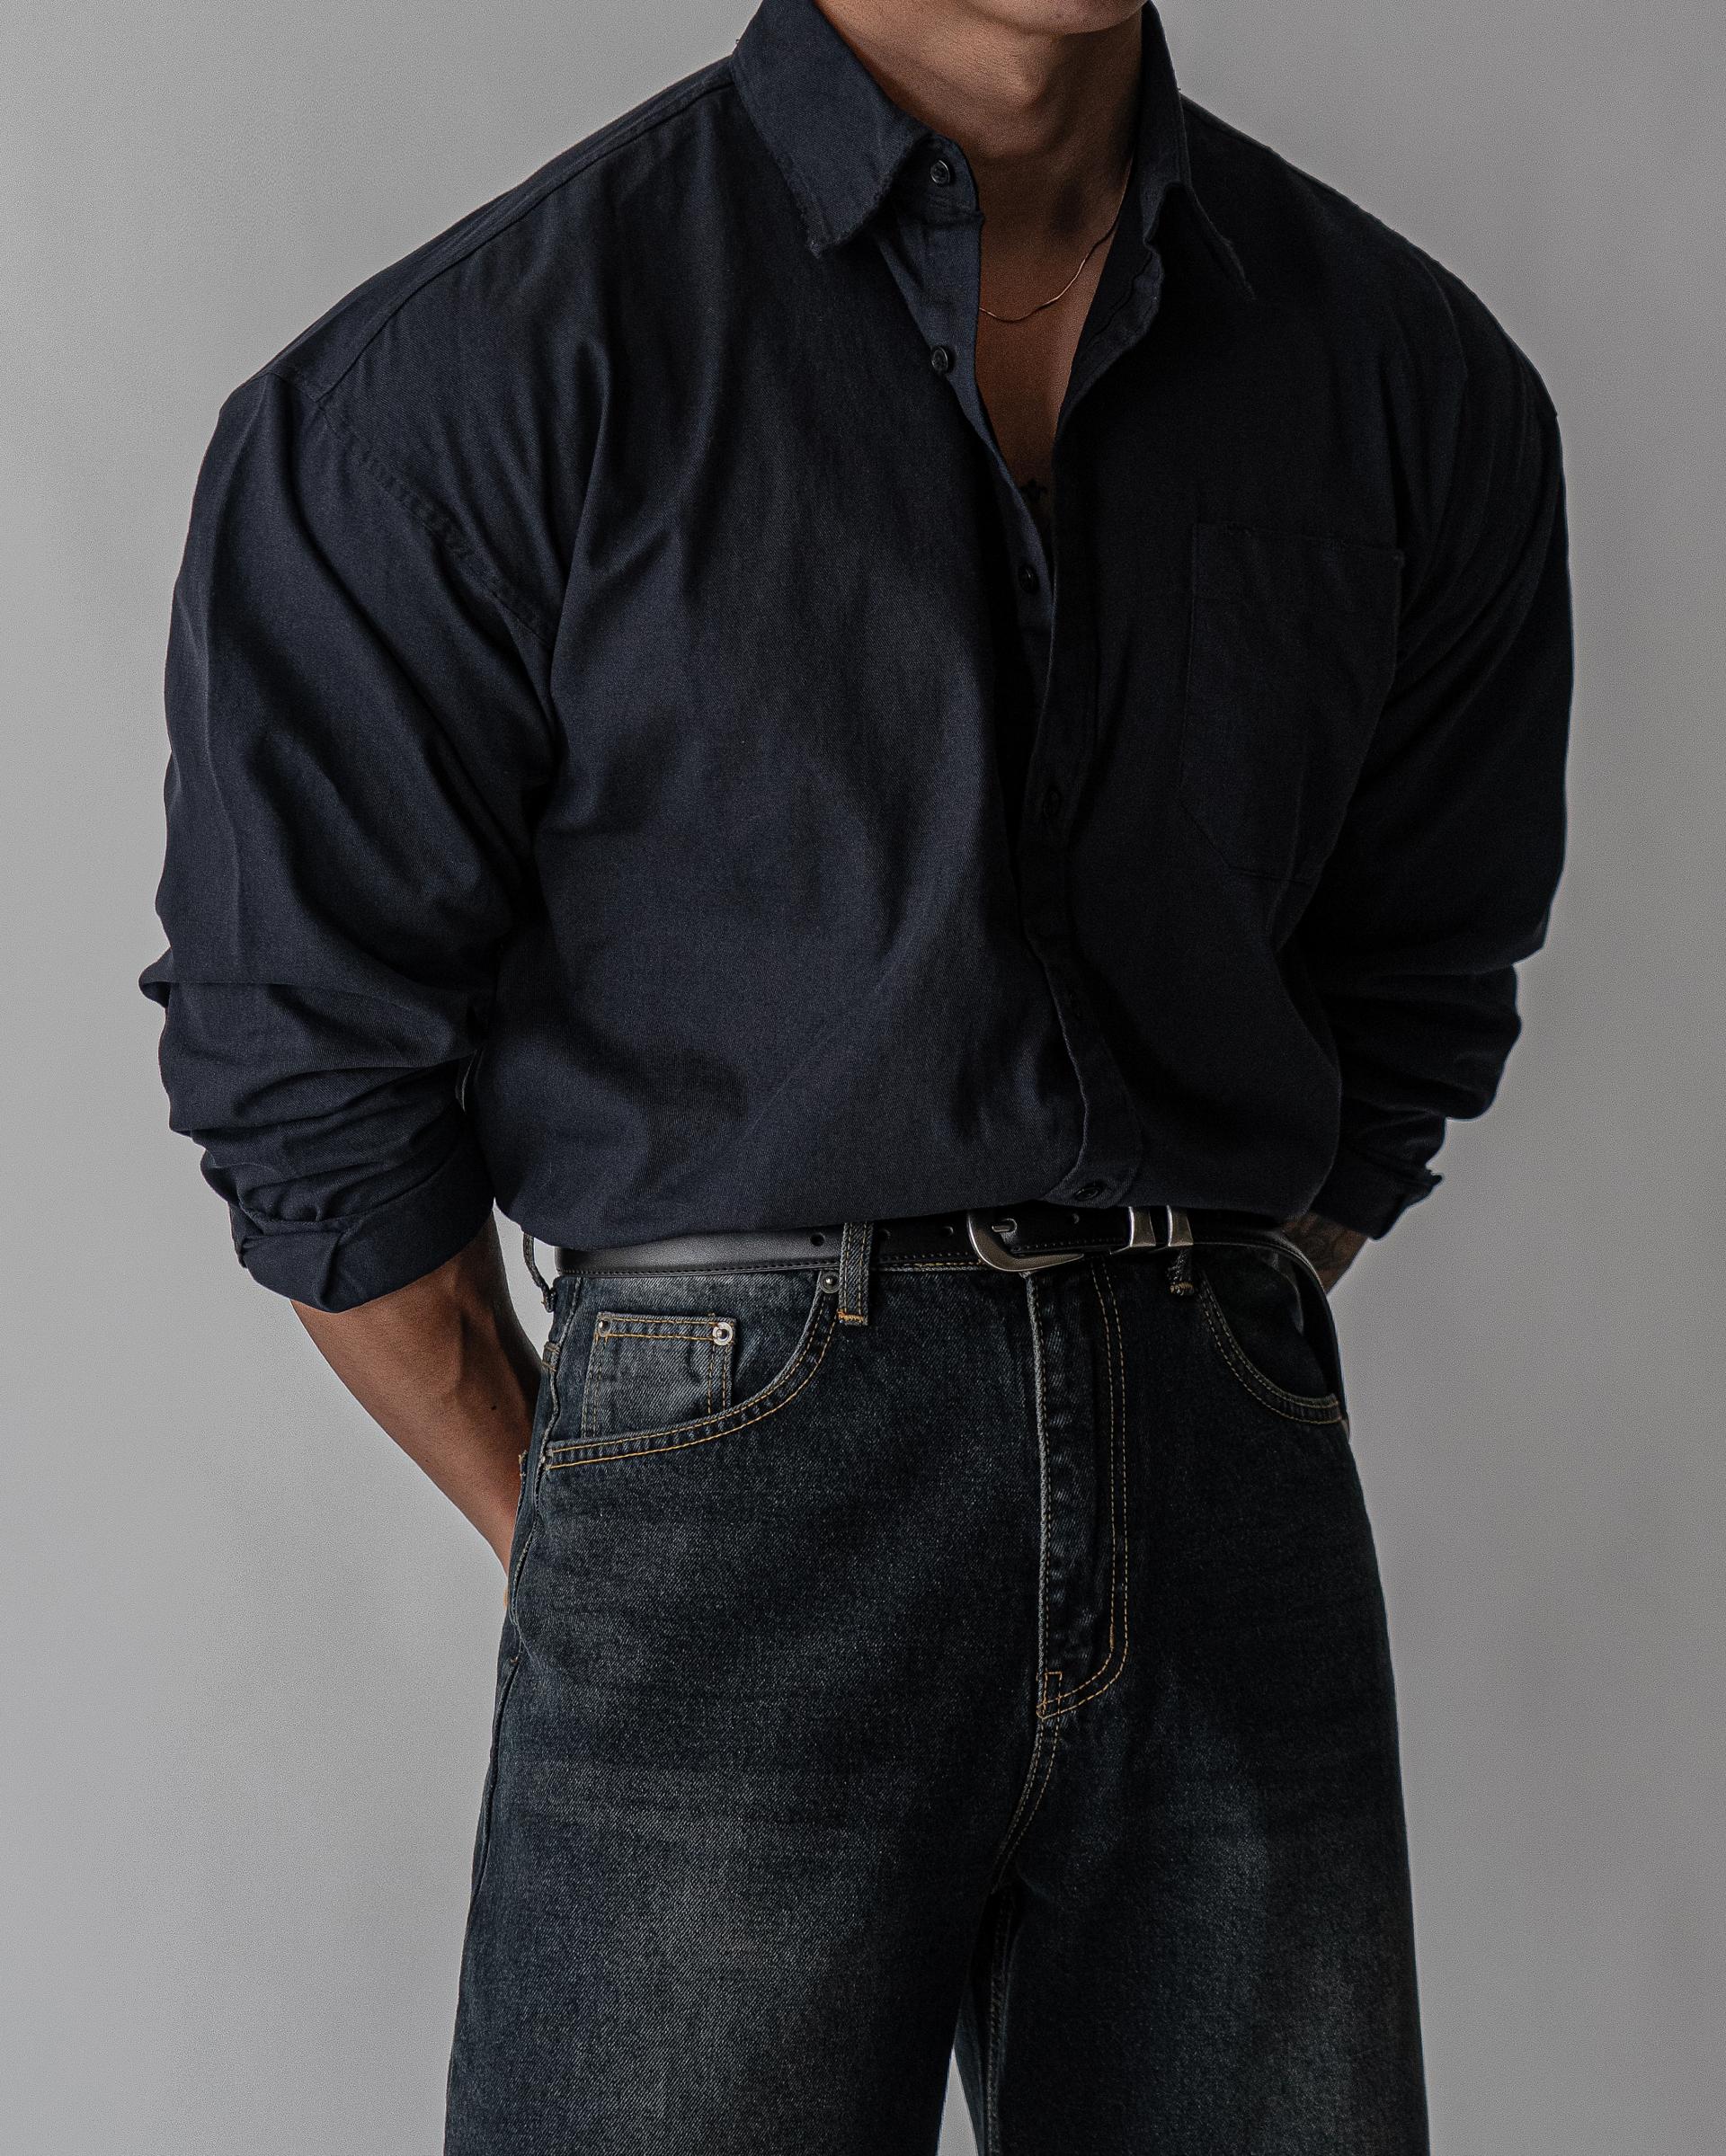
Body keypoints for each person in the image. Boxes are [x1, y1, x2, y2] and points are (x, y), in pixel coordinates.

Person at [141, 0, 1571, 2147]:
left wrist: (1189, 1334)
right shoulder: (472, 375)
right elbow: (305, 1071)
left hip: (1230, 1466)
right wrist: (620, 1517)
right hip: (725, 1476)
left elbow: (1421, 972)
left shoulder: (1407, 371)